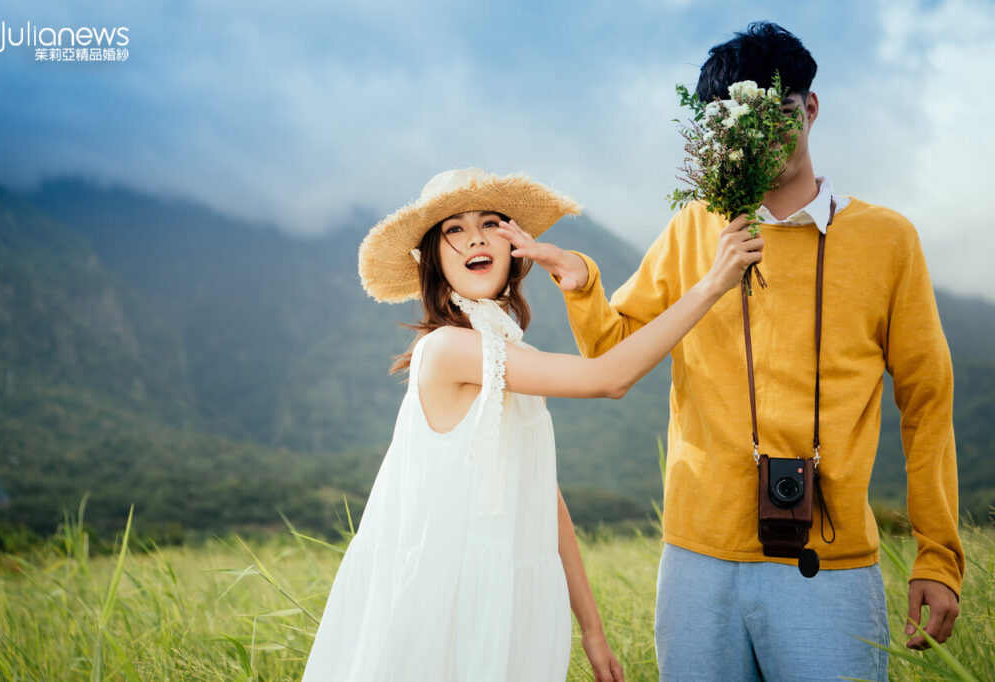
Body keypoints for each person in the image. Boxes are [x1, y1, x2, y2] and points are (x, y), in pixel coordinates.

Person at [505, 20, 965, 681]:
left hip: (828, 567)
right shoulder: (695, 226)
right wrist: (582, 283)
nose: (760, 137)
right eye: (738, 121)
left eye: (777, 113)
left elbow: (927, 401)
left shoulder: (889, 241)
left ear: (810, 107)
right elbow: (613, 348)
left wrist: (938, 557)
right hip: (697, 564)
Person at [301, 166, 763, 681]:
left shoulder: (508, 351)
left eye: (489, 223)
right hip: (451, 605)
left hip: (506, 596)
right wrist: (713, 284)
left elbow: (544, 494)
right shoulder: (449, 349)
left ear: (514, 245)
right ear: (432, 259)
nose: (474, 236)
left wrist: (592, 629)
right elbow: (610, 378)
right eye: (453, 229)